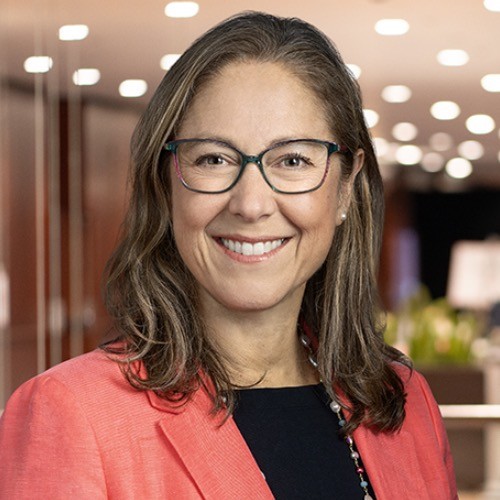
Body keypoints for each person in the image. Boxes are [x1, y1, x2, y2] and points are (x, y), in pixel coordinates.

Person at [0, 11, 457, 499]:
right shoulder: (72, 412)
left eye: (293, 159)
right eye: (214, 159)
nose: (251, 205)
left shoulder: (405, 401)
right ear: (166, 185)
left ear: (345, 186)